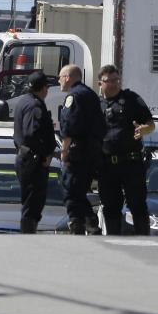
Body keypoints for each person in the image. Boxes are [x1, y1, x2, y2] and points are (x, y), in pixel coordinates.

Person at [97, 64, 155, 235]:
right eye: (110, 81)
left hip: (131, 163)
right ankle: (114, 241)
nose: (114, 83)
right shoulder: (96, 105)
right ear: (100, 83)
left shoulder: (131, 99)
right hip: (107, 166)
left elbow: (150, 124)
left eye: (116, 80)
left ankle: (144, 241)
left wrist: (144, 129)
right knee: (110, 206)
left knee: (137, 204)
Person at [58, 64, 105, 235]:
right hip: (91, 152)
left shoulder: (74, 96)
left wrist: (64, 151)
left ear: (68, 78)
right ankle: (78, 223)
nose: (59, 81)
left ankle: (86, 223)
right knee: (77, 189)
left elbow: (69, 126)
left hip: (78, 152)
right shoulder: (90, 94)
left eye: (60, 77)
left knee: (71, 189)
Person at [13, 71, 57, 234]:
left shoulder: (24, 101)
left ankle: (28, 234)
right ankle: (28, 238)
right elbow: (32, 134)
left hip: (27, 159)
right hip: (33, 161)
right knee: (33, 204)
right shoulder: (34, 105)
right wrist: (45, 154)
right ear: (44, 88)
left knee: (31, 203)